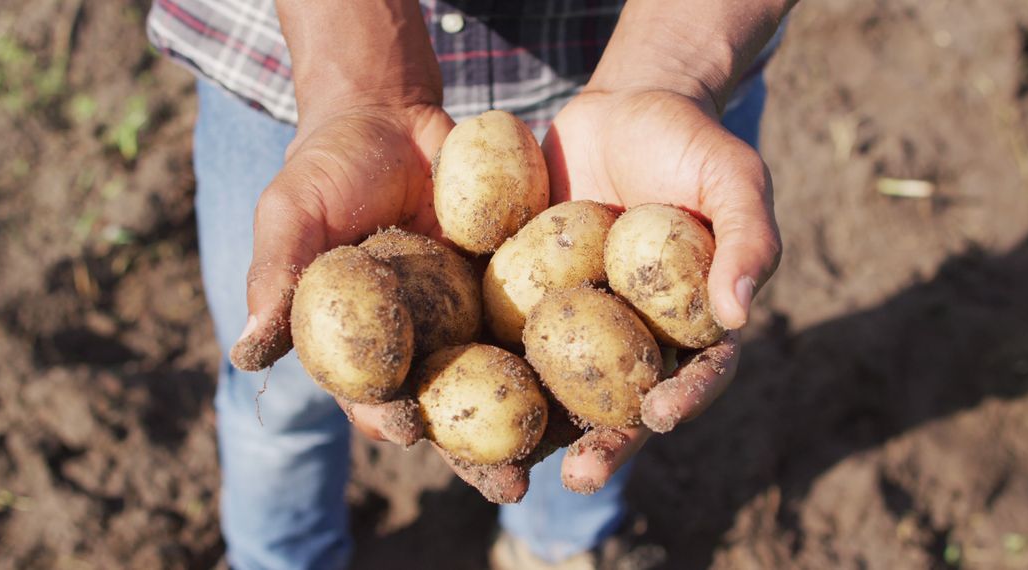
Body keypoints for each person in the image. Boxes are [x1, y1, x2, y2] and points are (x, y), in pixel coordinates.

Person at [147, 0, 792, 568]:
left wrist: (672, 63)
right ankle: (275, 558)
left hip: (622, 63)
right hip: (302, 62)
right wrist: (359, 84)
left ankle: (562, 547)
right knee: (283, 396)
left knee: (589, 445)